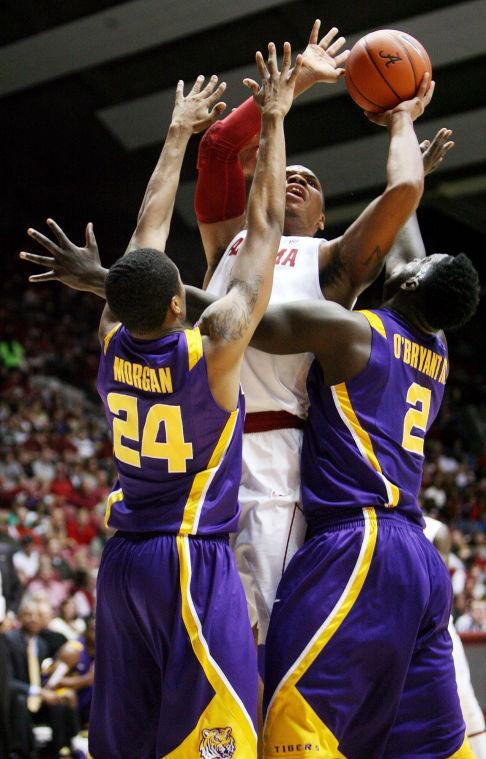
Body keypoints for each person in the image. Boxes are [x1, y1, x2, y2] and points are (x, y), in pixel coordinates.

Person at [21, 42, 301, 758]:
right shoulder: (214, 349)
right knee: (220, 740)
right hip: (190, 560)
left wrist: (177, 136)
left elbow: (148, 230)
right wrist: (274, 119)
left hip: (123, 565)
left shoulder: (112, 337)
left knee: (127, 738)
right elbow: (264, 228)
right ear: (181, 306)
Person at [194, 18, 436, 644]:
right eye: (287, 174)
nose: (297, 178)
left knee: (272, 640)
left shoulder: (330, 262)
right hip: (200, 454)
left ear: (327, 216)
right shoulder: (230, 242)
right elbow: (219, 147)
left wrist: (400, 119)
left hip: (275, 462)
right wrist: (292, 85)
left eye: (314, 181)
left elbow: (402, 191)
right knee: (205, 646)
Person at [424, 516, 486, 759]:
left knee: (463, 706)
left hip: (435, 628)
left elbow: (438, 589)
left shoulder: (431, 528)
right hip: (392, 631)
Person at [5, 598, 79, 757]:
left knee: (61, 700)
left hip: (38, 697)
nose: (33, 618)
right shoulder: (8, 640)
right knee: (18, 701)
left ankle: (60, 749)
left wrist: (53, 690)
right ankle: (24, 753)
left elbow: (43, 679)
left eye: (37, 615)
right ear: (19, 617)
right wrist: (37, 692)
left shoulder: (41, 644)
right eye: (28, 614)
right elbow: (6, 680)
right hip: (16, 695)